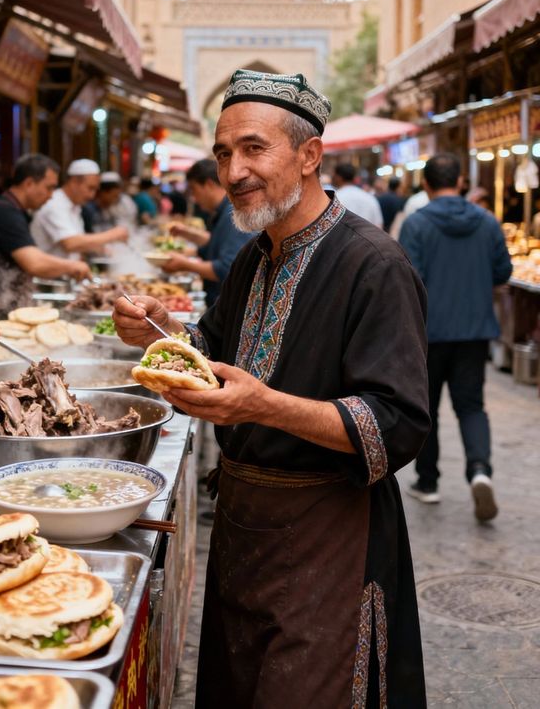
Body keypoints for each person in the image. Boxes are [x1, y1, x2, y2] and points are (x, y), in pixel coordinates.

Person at [114, 69, 430, 707]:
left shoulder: (375, 265)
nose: (234, 171)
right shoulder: (255, 256)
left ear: (310, 155)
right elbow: (212, 351)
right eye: (223, 153)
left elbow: (395, 424)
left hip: (329, 542)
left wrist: (263, 405)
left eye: (254, 148)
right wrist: (164, 332)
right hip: (243, 537)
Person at [399, 153, 512, 522]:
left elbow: (407, 280)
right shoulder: (487, 221)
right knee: (472, 406)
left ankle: (428, 482)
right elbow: (503, 271)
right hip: (474, 331)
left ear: (426, 184)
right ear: (461, 182)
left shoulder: (416, 224)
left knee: (426, 408)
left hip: (428, 333)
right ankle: (479, 470)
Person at [0, 154, 92, 318]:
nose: (51, 195)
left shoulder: (14, 210)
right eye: (49, 188)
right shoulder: (3, 212)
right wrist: (73, 266)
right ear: (29, 183)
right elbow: (35, 263)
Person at [161, 158, 252, 305]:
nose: (194, 198)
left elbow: (227, 268)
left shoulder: (232, 213)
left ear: (209, 184)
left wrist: (184, 264)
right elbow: (216, 243)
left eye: (194, 190)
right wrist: (186, 234)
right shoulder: (223, 211)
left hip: (227, 303)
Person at [30, 159, 128, 260]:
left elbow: (79, 243)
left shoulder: (75, 206)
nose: (92, 195)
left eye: (95, 190)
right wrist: (113, 234)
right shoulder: (54, 204)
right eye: (90, 188)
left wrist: (104, 250)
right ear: (74, 182)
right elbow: (71, 243)